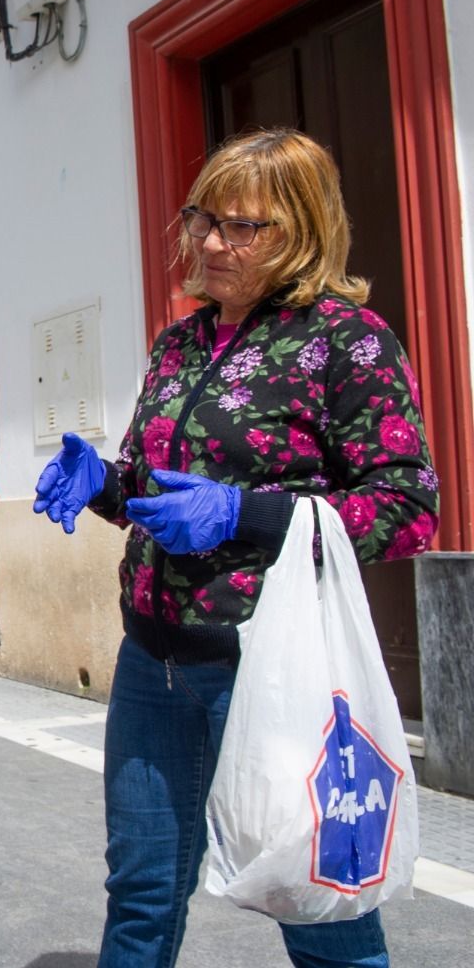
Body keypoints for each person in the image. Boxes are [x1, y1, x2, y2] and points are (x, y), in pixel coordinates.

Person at [32, 129, 439, 968]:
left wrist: (243, 516)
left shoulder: (346, 340)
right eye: (204, 219)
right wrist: (105, 483)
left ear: (302, 231)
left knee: (320, 903)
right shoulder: (180, 342)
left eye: (243, 227)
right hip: (154, 664)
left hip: (271, 670)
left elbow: (406, 508)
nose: (212, 243)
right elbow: (167, 488)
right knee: (140, 892)